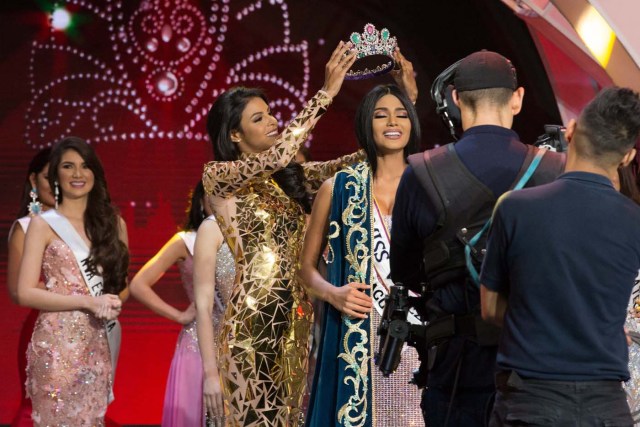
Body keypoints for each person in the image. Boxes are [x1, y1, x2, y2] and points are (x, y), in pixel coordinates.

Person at [390, 50, 565, 426]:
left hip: (455, 370)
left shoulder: (420, 173)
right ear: (517, 98)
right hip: (538, 369)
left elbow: (404, 272)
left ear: (455, 99)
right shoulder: (558, 171)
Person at [201, 41, 365, 426]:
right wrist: (325, 95)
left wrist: (390, 129)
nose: (273, 120)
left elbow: (342, 166)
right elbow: (277, 155)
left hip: (296, 319)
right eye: (258, 118)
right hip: (253, 326)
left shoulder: (281, 181)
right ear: (235, 135)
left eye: (271, 113)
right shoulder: (218, 176)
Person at [480, 86, 640, 426]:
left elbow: (490, 308)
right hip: (608, 409)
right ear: (627, 156)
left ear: (570, 131)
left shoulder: (514, 208)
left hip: (532, 403)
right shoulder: (635, 222)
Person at [300, 78, 425, 425]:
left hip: (420, 335)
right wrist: (333, 294)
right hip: (359, 336)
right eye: (381, 115)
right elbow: (305, 269)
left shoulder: (431, 183)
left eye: (401, 114)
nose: (392, 123)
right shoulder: (337, 187)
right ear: (366, 123)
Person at [16, 136, 129, 426]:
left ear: (95, 173)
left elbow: (120, 286)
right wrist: (86, 301)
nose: (78, 174)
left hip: (98, 340)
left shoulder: (114, 224)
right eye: (68, 166)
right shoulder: (42, 224)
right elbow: (25, 291)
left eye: (85, 166)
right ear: (56, 175)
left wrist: (113, 303)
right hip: (56, 344)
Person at [130, 181, 233, 426]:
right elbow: (138, 284)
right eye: (213, 197)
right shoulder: (186, 240)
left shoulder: (246, 244)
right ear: (200, 203)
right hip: (197, 345)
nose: (221, 203)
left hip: (235, 342)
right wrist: (178, 315)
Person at [6, 148, 54, 427]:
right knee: (42, 404)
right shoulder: (26, 226)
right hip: (45, 331)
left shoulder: (83, 226)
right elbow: (16, 289)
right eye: (49, 177)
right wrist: (71, 294)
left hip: (88, 328)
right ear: (34, 181)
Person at [193, 210, 236, 427]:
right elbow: (204, 308)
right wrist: (210, 374)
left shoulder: (281, 217)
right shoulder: (213, 228)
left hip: (279, 352)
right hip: (230, 357)